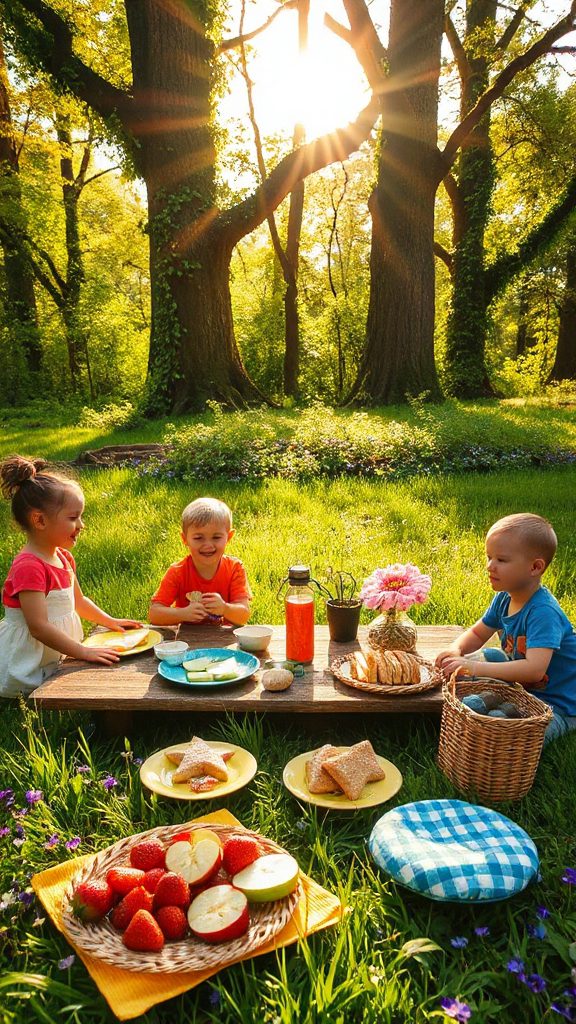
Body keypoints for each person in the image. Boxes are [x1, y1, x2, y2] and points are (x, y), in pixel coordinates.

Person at [0, 455, 142, 697]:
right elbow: (38, 627)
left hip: (58, 651)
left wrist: (110, 621)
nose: (81, 525)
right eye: (73, 518)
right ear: (39, 520)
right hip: (28, 661)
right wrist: (83, 651)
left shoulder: (63, 557)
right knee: (38, 694)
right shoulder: (29, 567)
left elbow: (79, 601)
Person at [435, 513, 576, 745]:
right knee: (482, 659)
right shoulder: (504, 597)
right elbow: (478, 633)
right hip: (522, 687)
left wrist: (474, 667)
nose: (490, 566)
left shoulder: (543, 612)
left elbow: (534, 671)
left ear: (535, 567)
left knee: (517, 739)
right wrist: (456, 650)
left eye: (501, 560)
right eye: (489, 557)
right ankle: (487, 702)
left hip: (557, 703)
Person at [149, 497, 251, 627]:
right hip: (187, 637)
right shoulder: (178, 572)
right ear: (185, 539)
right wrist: (183, 614)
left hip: (224, 638)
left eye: (216, 537)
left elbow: (243, 616)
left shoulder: (234, 568)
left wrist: (225, 608)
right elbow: (154, 614)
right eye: (198, 538)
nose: (208, 545)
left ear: (229, 537)